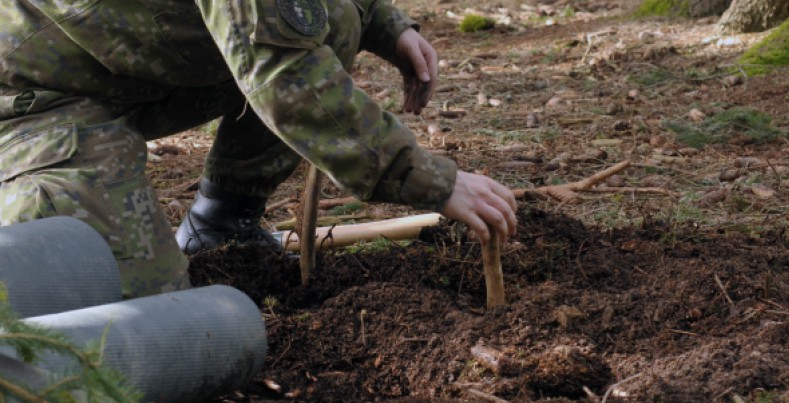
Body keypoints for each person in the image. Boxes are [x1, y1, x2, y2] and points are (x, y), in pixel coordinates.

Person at [0, 0, 517, 299]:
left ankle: (221, 225)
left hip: (126, 65)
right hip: (36, 101)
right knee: (142, 318)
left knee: (329, 14)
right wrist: (429, 179)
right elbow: (285, 77)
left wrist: (384, 24)